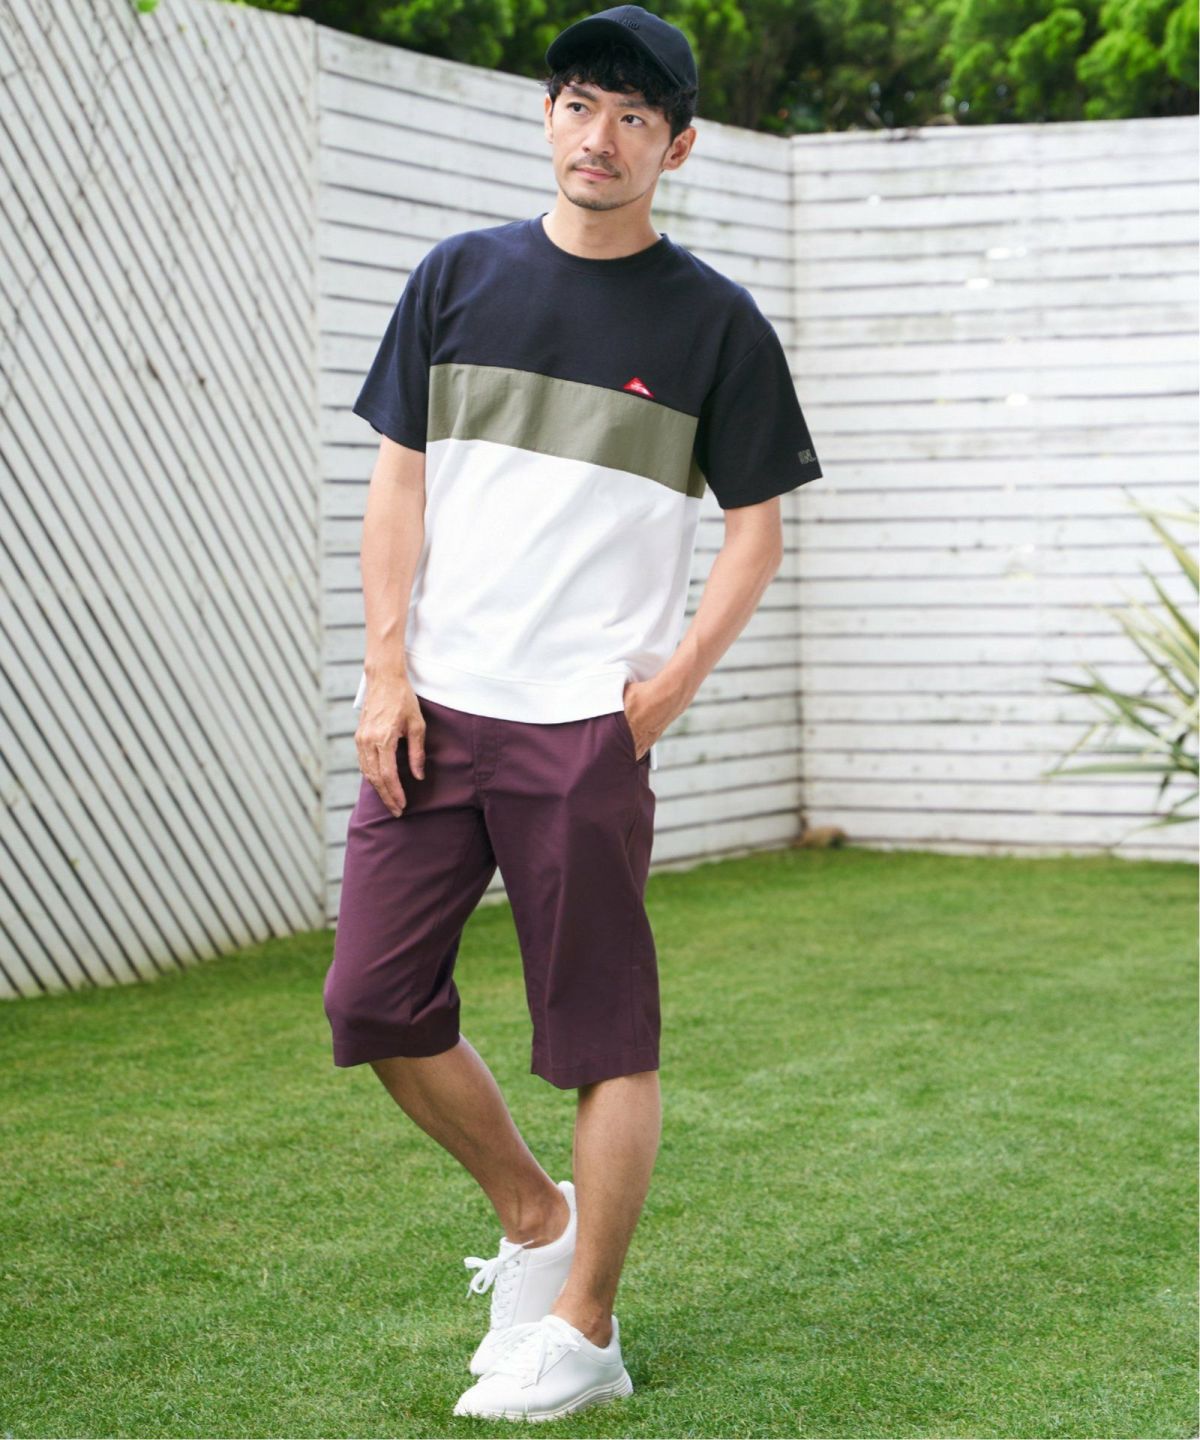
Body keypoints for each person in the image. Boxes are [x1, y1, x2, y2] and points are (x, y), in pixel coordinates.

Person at [322, 2, 823, 1421]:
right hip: (433, 711)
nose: (600, 137)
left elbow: (757, 531)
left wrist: (671, 683)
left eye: (633, 117)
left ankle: (587, 1329)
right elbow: (400, 484)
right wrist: (384, 667)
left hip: (583, 729)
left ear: (677, 146)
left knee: (602, 1035)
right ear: (548, 116)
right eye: (579, 105)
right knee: (372, 1001)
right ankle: (537, 1222)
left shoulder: (715, 323)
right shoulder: (456, 276)